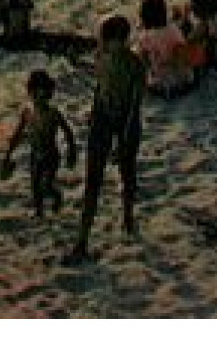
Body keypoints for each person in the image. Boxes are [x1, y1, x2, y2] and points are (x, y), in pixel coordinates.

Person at [64, 15, 146, 264]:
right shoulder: (103, 57)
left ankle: (128, 217)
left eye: (113, 41)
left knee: (127, 173)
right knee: (93, 179)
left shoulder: (135, 65)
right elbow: (100, 85)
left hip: (125, 121)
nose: (111, 45)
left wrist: (124, 137)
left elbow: (135, 106)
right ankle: (82, 239)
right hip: (102, 117)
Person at [0, 69, 78, 219]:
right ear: (31, 93)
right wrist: (8, 155)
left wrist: (71, 152)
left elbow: (68, 132)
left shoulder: (53, 113)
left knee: (46, 185)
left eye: (42, 93)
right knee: (35, 186)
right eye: (35, 93)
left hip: (51, 155)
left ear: (49, 94)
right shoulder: (27, 114)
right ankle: (39, 213)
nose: (38, 98)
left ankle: (57, 196)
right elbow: (17, 135)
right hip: (35, 155)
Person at [136, 0, 195, 97]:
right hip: (186, 79)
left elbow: (144, 63)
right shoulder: (174, 29)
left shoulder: (145, 38)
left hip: (165, 84)